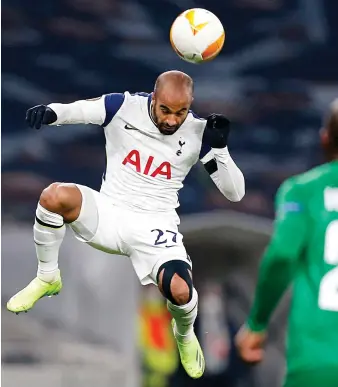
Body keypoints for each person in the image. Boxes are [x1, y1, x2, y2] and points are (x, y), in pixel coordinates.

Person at [7, 70, 245, 379]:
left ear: (190, 105)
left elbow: (235, 192)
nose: (172, 120)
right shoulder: (123, 107)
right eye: (165, 110)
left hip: (155, 227)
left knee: (180, 290)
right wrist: (52, 113)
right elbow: (81, 110)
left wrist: (221, 149)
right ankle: (47, 277)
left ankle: (185, 336)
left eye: (180, 112)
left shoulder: (199, 133)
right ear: (153, 97)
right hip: (109, 211)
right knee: (53, 196)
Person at [235, 99, 338, 387]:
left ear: (325, 138)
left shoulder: (304, 191)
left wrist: (257, 323)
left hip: (320, 359)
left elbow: (282, 254)